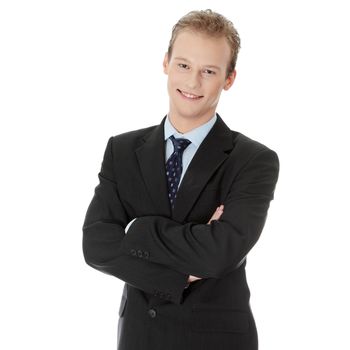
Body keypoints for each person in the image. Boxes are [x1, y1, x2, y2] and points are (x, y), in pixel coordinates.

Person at [82, 9, 279, 350]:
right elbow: (97, 245)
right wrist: (182, 272)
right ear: (166, 63)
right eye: (184, 65)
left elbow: (220, 254)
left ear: (228, 79)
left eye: (209, 71)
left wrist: (136, 231)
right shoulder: (123, 150)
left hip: (217, 340)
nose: (192, 83)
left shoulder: (253, 160)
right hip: (139, 337)